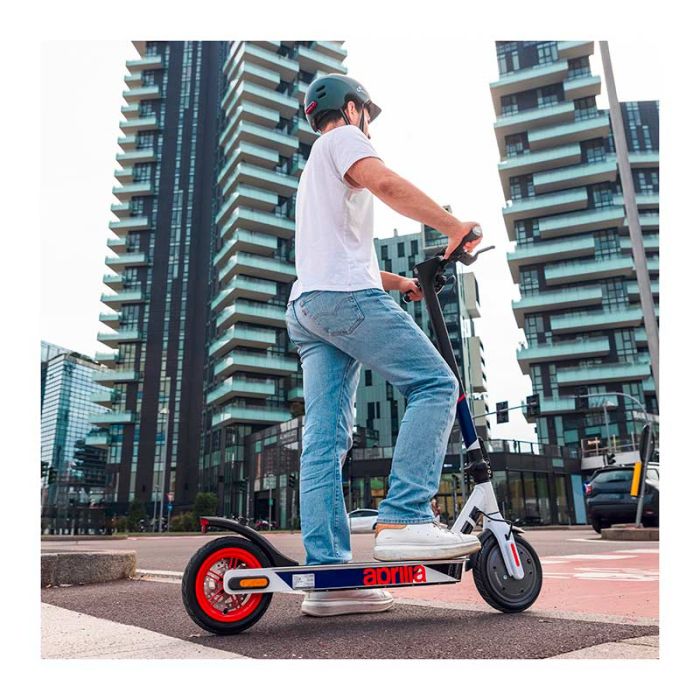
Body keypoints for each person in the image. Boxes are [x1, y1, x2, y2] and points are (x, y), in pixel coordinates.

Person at [285, 74, 483, 618]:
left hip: (309, 308)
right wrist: (453, 226)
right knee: (436, 384)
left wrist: (401, 284)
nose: (369, 124)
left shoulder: (314, 168)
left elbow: (341, 254)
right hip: (343, 299)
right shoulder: (345, 139)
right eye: (367, 114)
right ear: (352, 109)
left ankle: (330, 580)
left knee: (325, 443)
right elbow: (387, 184)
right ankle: (406, 516)